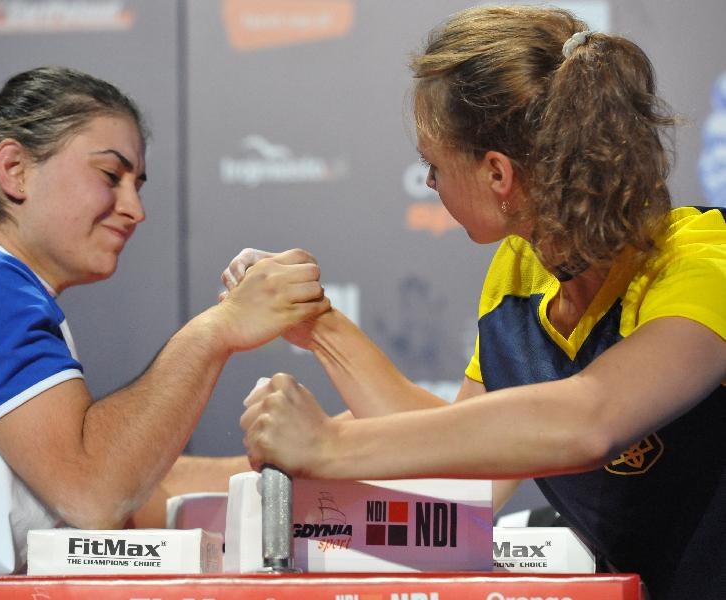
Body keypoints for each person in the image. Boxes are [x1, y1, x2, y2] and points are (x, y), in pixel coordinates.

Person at [230, 6, 726, 600]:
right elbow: (465, 465)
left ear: (497, 174)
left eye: (433, 166)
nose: (431, 184)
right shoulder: (521, 268)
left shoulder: (703, 258)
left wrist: (328, 446)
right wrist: (317, 323)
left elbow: (591, 420)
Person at [0, 66, 329, 598]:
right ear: (15, 169)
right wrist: (218, 329)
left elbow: (135, 486)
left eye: (137, 184)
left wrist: (321, 456)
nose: (134, 209)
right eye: (111, 176)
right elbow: (95, 491)